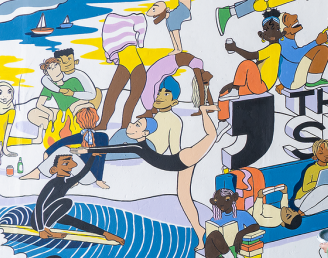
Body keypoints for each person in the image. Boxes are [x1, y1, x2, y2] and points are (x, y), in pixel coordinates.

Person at [73, 105, 219, 246]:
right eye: (135, 123)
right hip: (179, 164)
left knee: (212, 135)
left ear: (144, 133)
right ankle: (200, 233)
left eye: (138, 125)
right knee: (184, 198)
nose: (131, 125)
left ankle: (204, 111)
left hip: (184, 158)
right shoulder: (138, 147)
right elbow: (115, 149)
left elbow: (112, 149)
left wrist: (87, 151)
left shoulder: (138, 147)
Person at [120, 0, 232, 54]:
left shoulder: (171, 17)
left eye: (155, 7)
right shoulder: (171, 19)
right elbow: (175, 35)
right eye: (155, 8)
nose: (155, 6)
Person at [32, 154, 124, 245]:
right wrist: (41, 229)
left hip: (52, 214)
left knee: (75, 222)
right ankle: (47, 230)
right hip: (38, 220)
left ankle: (106, 234)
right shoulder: (52, 183)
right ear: (54, 169)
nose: (70, 166)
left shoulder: (66, 182)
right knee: (67, 202)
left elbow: (83, 172)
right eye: (65, 163)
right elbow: (39, 205)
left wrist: (92, 156)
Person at [218, 9, 284, 122]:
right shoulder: (268, 49)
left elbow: (250, 56)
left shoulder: (275, 48)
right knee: (224, 91)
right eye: (267, 30)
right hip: (253, 84)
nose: (271, 33)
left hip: (261, 86)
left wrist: (235, 48)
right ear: (263, 35)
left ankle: (235, 90)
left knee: (248, 64)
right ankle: (223, 121)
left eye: (275, 29)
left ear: (281, 32)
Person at [25, 107, 110, 189]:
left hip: (90, 177)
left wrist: (99, 180)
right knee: (66, 150)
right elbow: (63, 142)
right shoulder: (89, 136)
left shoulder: (102, 137)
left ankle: (37, 172)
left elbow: (101, 158)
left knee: (64, 150)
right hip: (82, 174)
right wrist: (48, 152)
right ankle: (74, 179)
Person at [99, 12, 148, 129]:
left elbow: (141, 21)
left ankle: (124, 126)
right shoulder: (113, 23)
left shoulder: (132, 20)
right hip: (126, 67)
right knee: (111, 96)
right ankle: (104, 124)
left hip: (137, 68)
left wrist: (140, 41)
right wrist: (140, 41)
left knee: (128, 99)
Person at [139, 52, 214, 117]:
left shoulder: (198, 64)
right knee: (149, 83)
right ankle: (149, 110)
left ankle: (150, 110)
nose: (202, 81)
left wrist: (207, 106)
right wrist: (202, 108)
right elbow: (201, 86)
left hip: (168, 65)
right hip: (168, 64)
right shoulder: (198, 66)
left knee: (152, 84)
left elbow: (204, 87)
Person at [275, 11, 328, 92]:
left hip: (288, 81)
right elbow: (296, 56)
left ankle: (312, 79)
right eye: (287, 19)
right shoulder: (282, 42)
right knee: (322, 50)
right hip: (293, 81)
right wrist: (316, 42)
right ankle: (313, 81)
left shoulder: (286, 41)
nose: (295, 16)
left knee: (316, 49)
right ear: (285, 29)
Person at [295, 139, 328, 214]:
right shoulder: (311, 169)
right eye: (321, 152)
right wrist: (318, 183)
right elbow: (305, 188)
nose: (326, 155)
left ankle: (303, 213)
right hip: (302, 199)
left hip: (320, 197)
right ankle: (300, 210)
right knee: (326, 187)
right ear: (315, 155)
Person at [142, 76, 183, 156]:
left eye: (166, 94)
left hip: (150, 151)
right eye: (159, 93)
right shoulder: (157, 115)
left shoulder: (175, 120)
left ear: (174, 102)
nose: (159, 97)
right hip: (143, 146)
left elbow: (175, 149)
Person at [0, 80, 33, 155]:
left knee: (32, 141)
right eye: (0, 92)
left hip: (4, 139)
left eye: (9, 92)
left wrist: (4, 148)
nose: (4, 96)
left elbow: (8, 129)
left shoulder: (11, 111)